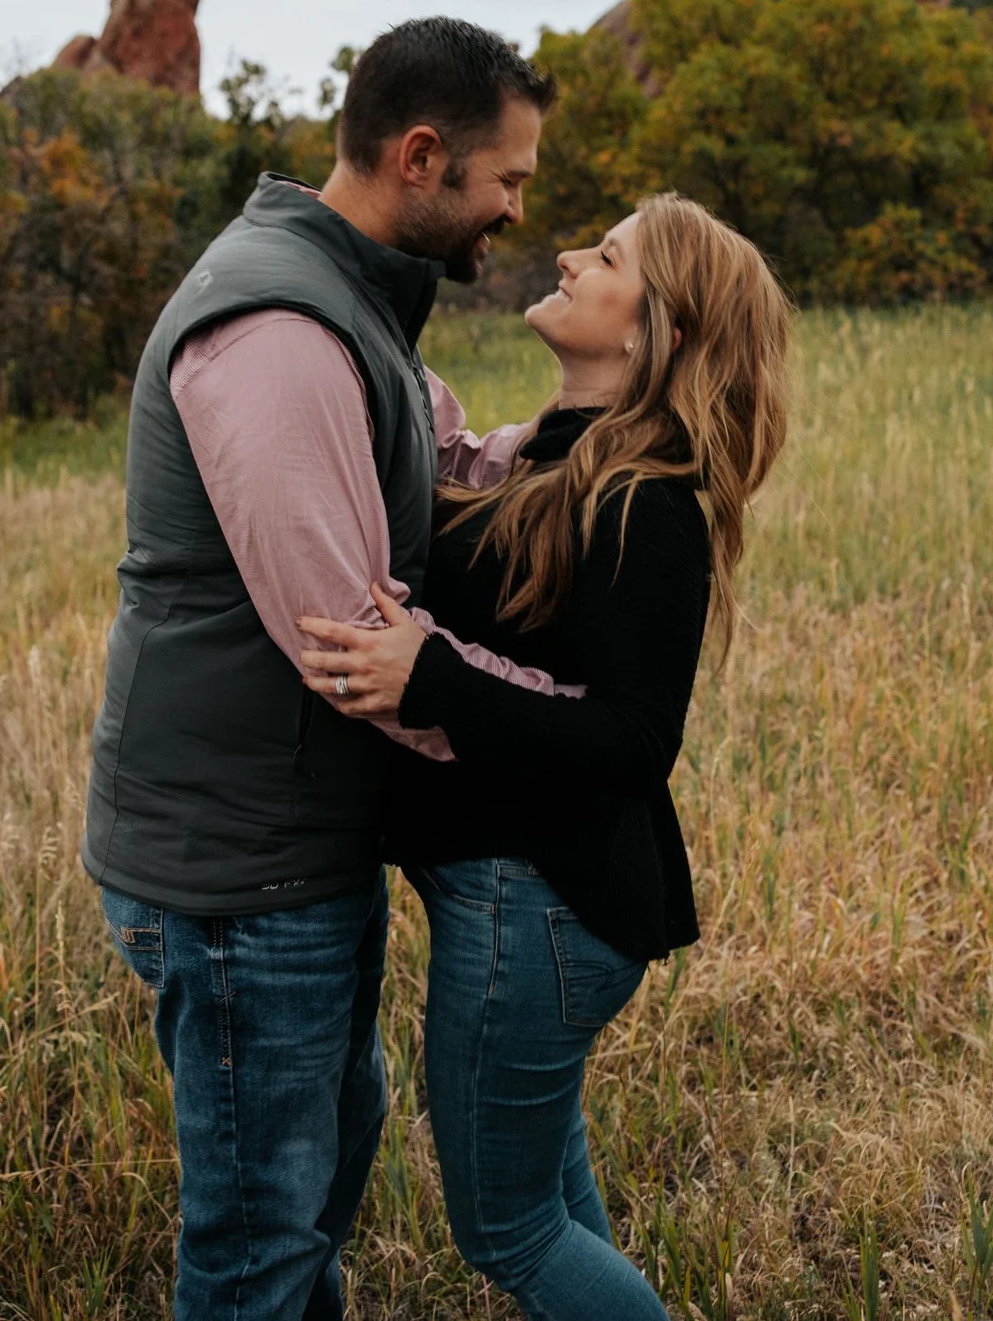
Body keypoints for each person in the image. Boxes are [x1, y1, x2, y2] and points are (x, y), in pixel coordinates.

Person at [84, 16, 565, 1321]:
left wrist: (606, 442)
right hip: (239, 870)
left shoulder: (351, 299)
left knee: (316, 1166)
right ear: (423, 156)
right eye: (507, 179)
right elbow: (353, 643)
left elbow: (445, 459)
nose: (516, 210)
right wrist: (567, 737)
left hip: (295, 846)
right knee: (260, 1242)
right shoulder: (280, 328)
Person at [297, 193, 792, 1321]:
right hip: (528, 898)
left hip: (539, 906)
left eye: (606, 255)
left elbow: (631, 740)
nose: (569, 255)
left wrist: (426, 675)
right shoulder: (560, 457)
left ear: (651, 327)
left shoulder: (645, 499)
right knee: (552, 1193)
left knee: (507, 1224)